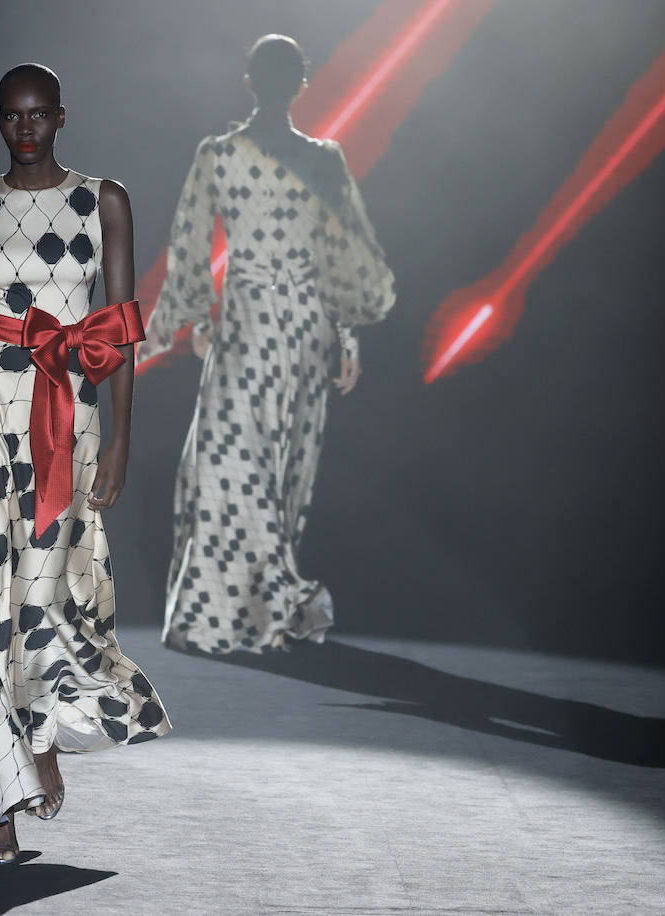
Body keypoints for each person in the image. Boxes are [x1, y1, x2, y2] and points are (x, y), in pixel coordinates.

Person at [0, 62, 171, 864]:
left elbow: (121, 329)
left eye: (37, 115)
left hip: (65, 414)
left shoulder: (103, 200)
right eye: (10, 117)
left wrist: (123, 438)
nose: (24, 129)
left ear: (60, 117)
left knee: (48, 598)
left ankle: (39, 732)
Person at [138, 34, 396, 655]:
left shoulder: (219, 155)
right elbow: (342, 255)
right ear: (302, 84)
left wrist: (180, 325)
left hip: (249, 323)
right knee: (282, 467)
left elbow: (190, 251)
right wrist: (345, 336)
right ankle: (271, 605)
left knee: (232, 464)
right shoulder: (323, 161)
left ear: (250, 83)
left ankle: (235, 610)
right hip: (303, 326)